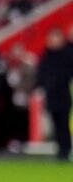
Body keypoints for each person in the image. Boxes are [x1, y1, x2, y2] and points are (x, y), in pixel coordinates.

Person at [35, 29, 72, 161]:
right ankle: (59, 149)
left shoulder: (68, 54)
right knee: (55, 124)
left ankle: (66, 150)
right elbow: (40, 73)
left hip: (64, 94)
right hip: (51, 95)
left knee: (63, 123)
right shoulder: (46, 55)